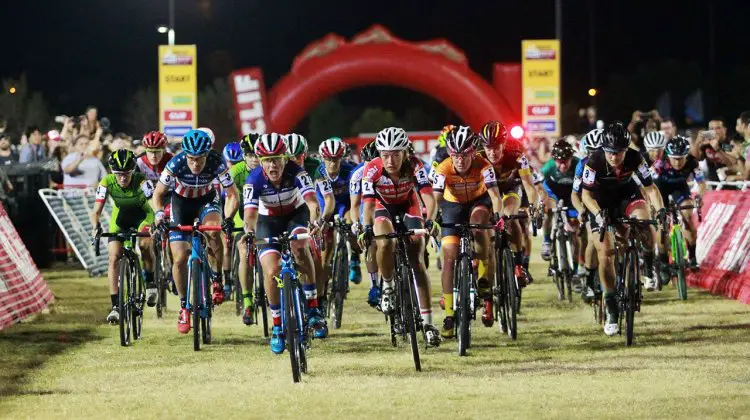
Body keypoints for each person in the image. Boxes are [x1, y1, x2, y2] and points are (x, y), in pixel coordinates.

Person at [241, 133, 329, 353]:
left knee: (300, 248)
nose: (273, 164)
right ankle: (278, 327)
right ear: (261, 161)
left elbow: (311, 202)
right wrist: (250, 232)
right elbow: (250, 215)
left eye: (277, 158)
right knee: (271, 270)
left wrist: (315, 221)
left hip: (295, 215)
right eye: (268, 160)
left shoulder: (297, 172)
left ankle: (313, 308)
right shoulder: (253, 180)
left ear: (285, 158)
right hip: (267, 221)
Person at [358, 127, 441, 346]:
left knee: (417, 255)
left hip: (408, 206)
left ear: (405, 153)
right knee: (385, 242)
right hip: (382, 207)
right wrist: (366, 228)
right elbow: (367, 205)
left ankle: (428, 323)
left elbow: (429, 199)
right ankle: (388, 285)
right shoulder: (371, 169)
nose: (390, 160)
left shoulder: (415, 166)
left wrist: (430, 220)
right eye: (385, 155)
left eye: (396, 154)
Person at [581, 121, 665, 336]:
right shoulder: (594, 160)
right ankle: (610, 307)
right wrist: (599, 215)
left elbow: (651, 189)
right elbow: (586, 195)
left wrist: (661, 210)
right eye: (610, 152)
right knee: (606, 253)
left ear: (626, 150)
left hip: (627, 196)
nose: (614, 157)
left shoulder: (636, 157)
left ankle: (647, 267)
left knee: (644, 220)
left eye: (619, 153)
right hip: (600, 202)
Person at [152, 129, 240, 334]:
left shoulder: (217, 163)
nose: (195, 164)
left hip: (206, 201)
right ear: (185, 155)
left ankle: (217, 278)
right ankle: (184, 307)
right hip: (180, 204)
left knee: (213, 232)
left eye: (200, 159)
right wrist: (158, 215)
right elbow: (158, 194)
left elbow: (233, 195)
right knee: (180, 257)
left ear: (207, 154)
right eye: (191, 159)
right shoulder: (175, 163)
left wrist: (227, 219)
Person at [431, 126, 503, 336]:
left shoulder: (484, 165)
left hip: (478, 201)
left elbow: (496, 198)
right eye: (455, 155)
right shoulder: (443, 168)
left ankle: (482, 279)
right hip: (452, 206)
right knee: (449, 257)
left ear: (473, 152)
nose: (460, 160)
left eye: (465, 155)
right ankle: (449, 314)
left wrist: (498, 217)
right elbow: (435, 200)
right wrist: (432, 219)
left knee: (479, 224)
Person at [91, 150, 156, 323]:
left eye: (126, 173)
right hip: (121, 218)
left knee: (145, 245)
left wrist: (157, 219)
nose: (122, 177)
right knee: (113, 258)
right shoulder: (106, 182)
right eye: (118, 174)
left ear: (133, 170)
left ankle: (150, 282)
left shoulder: (142, 181)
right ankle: (116, 307)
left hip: (143, 215)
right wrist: (95, 226)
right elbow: (96, 211)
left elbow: (153, 203)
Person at [477, 121, 537, 284]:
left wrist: (533, 207)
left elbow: (530, 186)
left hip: (511, 190)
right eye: (488, 148)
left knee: (510, 216)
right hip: (489, 194)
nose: (492, 152)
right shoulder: (477, 158)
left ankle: (518, 265)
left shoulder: (516, 156)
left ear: (504, 144)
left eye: (496, 147)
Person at [651, 136, 706, 271]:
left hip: (679, 189)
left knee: (688, 216)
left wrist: (699, 196)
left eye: (681, 158)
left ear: (686, 156)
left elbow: (702, 183)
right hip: (660, 190)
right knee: (662, 225)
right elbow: (649, 185)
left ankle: (692, 258)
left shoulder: (693, 163)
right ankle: (663, 260)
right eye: (674, 158)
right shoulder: (659, 163)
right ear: (668, 156)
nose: (677, 162)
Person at [316, 137, 361, 293]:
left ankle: (354, 257)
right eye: (329, 159)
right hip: (326, 207)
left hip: (345, 204)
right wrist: (322, 220)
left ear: (342, 158)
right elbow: (327, 201)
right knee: (324, 257)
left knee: (351, 223)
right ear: (323, 158)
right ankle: (320, 298)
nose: (333, 163)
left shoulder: (351, 170)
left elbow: (355, 199)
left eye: (336, 159)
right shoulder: (319, 172)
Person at [539, 140, 582, 291]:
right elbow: (539, 186)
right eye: (560, 162)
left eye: (566, 162)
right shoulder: (549, 167)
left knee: (576, 234)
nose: (563, 166)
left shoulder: (578, 164)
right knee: (548, 209)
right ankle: (546, 241)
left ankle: (576, 271)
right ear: (554, 160)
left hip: (572, 196)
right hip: (553, 193)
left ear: (572, 158)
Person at [231, 133, 263, 325]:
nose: (253, 159)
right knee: (244, 252)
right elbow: (229, 200)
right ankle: (248, 301)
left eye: (256, 155)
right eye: (249, 155)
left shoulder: (268, 170)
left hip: (264, 213)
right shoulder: (236, 172)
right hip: (241, 213)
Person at [571, 129, 603, 301]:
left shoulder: (614, 161)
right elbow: (575, 194)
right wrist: (581, 209)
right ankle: (590, 281)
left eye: (599, 150)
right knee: (592, 239)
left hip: (610, 200)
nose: (595, 154)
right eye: (592, 151)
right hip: (591, 202)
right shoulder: (582, 165)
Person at [350, 141, 381, 307]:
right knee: (371, 241)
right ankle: (374, 284)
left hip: (385, 202)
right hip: (366, 205)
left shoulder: (389, 169)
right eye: (369, 163)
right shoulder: (357, 174)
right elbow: (355, 205)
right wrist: (356, 223)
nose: (372, 168)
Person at [219, 141, 244, 296]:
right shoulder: (222, 173)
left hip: (242, 207)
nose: (233, 166)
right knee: (226, 244)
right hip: (225, 205)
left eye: (236, 163)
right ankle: (227, 280)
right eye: (230, 162)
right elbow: (222, 199)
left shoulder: (243, 172)